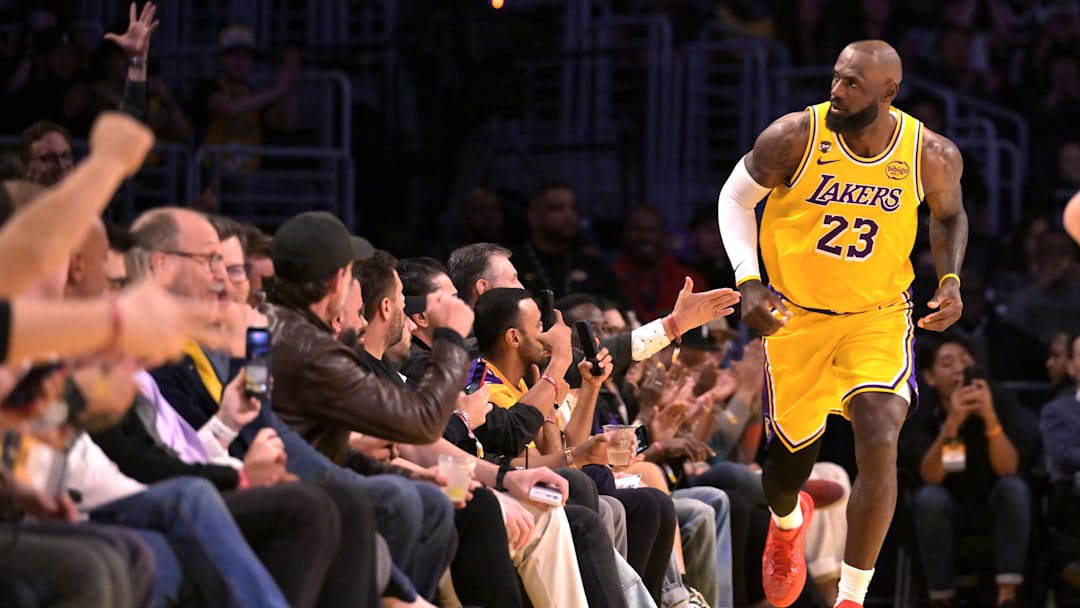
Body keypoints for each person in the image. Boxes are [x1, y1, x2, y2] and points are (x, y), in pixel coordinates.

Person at [717, 39, 967, 608]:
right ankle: (788, 522)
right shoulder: (793, 136)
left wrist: (951, 279)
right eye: (836, 77)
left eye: (852, 83)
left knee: (879, 434)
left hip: (876, 316)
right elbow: (734, 199)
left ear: (888, 92)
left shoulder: (930, 154)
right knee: (787, 471)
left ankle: (851, 597)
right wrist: (748, 279)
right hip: (796, 317)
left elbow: (949, 216)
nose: (837, 90)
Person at [901, 335, 1031, 607]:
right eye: (947, 363)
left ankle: (1007, 595)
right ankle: (942, 597)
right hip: (946, 500)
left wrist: (990, 418)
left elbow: (1008, 468)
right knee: (929, 498)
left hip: (994, 499)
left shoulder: (1000, 398)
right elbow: (932, 476)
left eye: (964, 360)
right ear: (930, 377)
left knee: (1015, 489)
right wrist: (953, 423)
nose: (959, 369)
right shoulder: (921, 408)